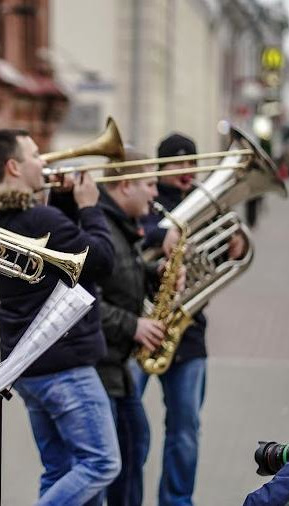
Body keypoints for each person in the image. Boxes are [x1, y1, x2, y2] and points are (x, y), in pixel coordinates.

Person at [0, 129, 119, 505]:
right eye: (36, 155)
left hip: (29, 365)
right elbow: (100, 262)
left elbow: (58, 265)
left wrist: (65, 203)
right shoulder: (39, 219)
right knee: (101, 464)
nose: (45, 161)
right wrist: (90, 206)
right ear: (13, 166)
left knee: (60, 469)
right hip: (65, 364)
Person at [137, 133, 247, 505]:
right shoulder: (147, 203)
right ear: (160, 167)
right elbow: (128, 237)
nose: (185, 171)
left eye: (191, 163)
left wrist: (234, 249)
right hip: (139, 327)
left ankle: (177, 501)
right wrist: (159, 238)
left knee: (185, 431)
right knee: (128, 426)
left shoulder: (208, 205)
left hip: (188, 331)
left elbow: (213, 265)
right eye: (176, 164)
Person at [94, 149, 166, 505]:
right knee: (120, 459)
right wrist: (133, 326)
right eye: (150, 183)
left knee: (136, 445)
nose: (155, 193)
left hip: (117, 369)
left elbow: (121, 279)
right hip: (101, 368)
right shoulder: (102, 230)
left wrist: (155, 274)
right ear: (124, 185)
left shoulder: (120, 226)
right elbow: (83, 303)